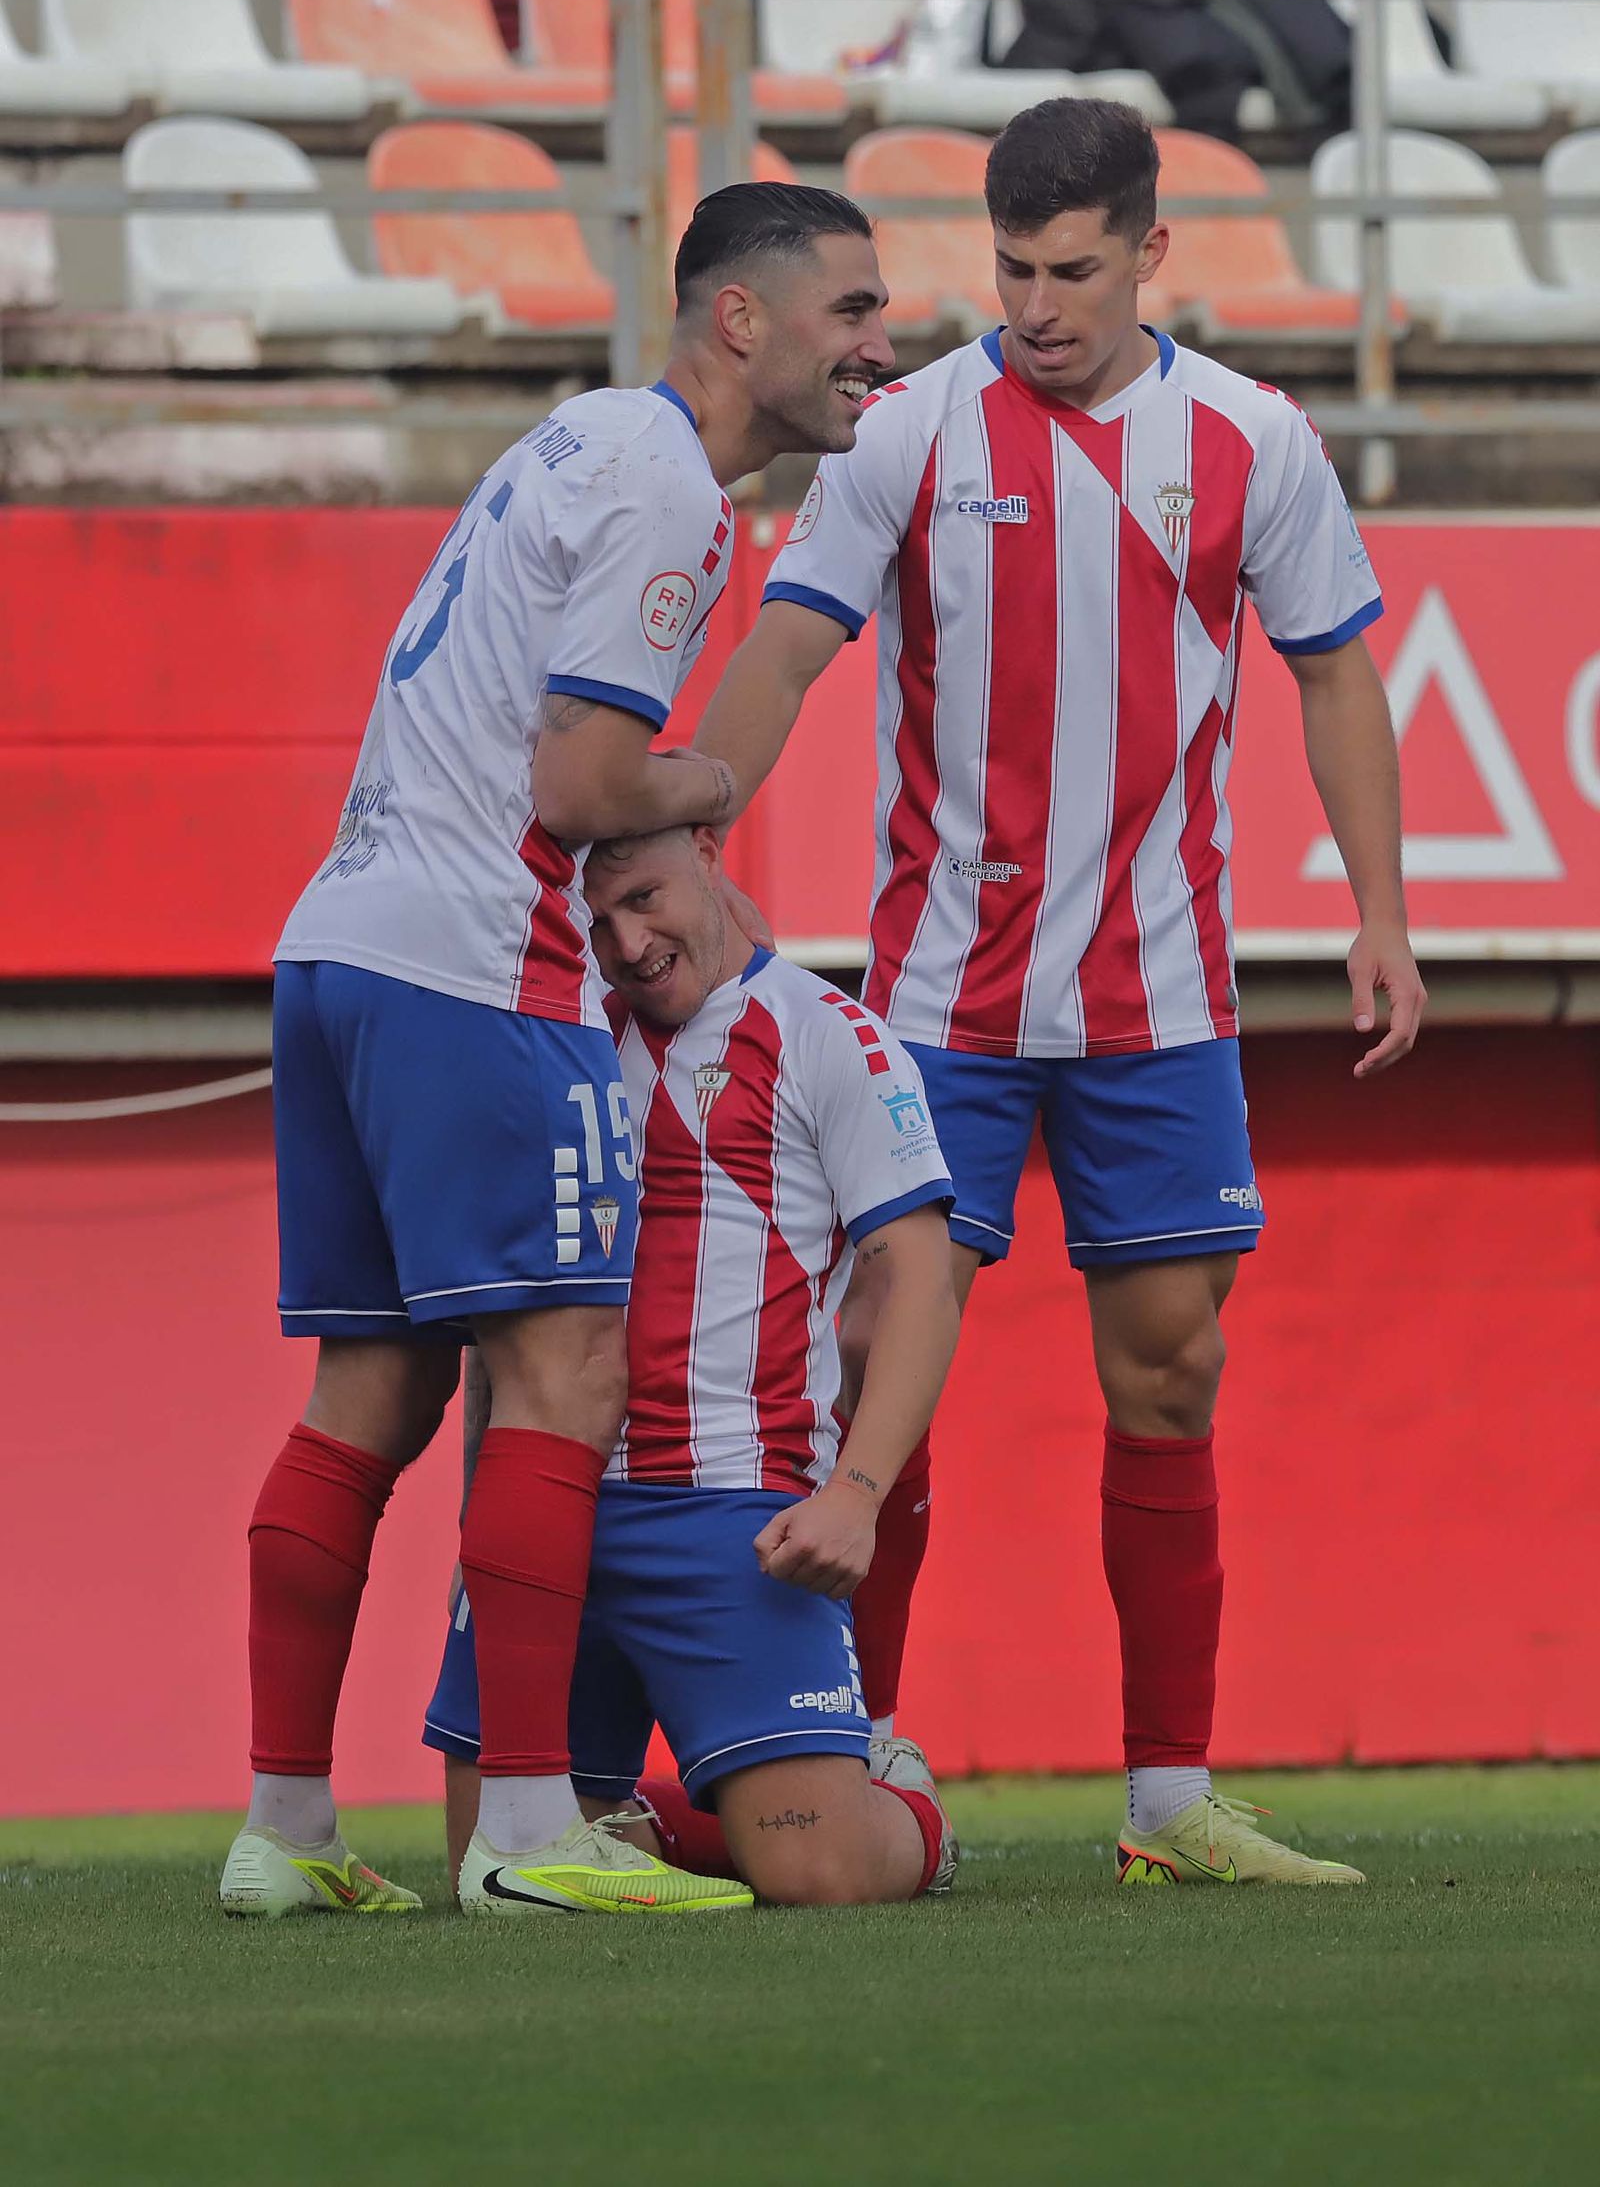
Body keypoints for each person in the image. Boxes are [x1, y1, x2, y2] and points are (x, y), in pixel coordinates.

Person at [694, 97, 1427, 1886]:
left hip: (1158, 1007)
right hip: (940, 1005)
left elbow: (1336, 676)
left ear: (1152, 253)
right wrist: (675, 844)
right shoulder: (910, 431)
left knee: (1171, 1376)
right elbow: (787, 649)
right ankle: (850, 1742)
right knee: (883, 1367)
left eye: (1074, 270)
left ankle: (1170, 1799)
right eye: (1013, 269)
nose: (1037, 305)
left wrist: (1380, 913)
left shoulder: (1254, 441)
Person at [221, 182, 894, 1920]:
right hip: (474, 967)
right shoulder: (671, 481)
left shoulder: (574, 442)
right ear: (739, 319)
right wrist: (707, 785)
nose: (877, 344)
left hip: (339, 941)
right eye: (851, 309)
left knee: (365, 1390)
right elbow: (584, 788)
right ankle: (528, 1828)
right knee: (566, 1368)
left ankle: (284, 1829)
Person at [424, 824, 961, 1910]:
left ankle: (908, 1809)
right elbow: (518, 1314)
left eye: (646, 896)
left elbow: (919, 1283)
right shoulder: (560, 1038)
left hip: (733, 1513)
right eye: (599, 918)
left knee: (822, 1875)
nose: (628, 940)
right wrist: (482, 1509)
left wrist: (854, 1493)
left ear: (711, 855)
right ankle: (634, 1826)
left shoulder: (829, 1036)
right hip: (556, 1506)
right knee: (487, 1868)